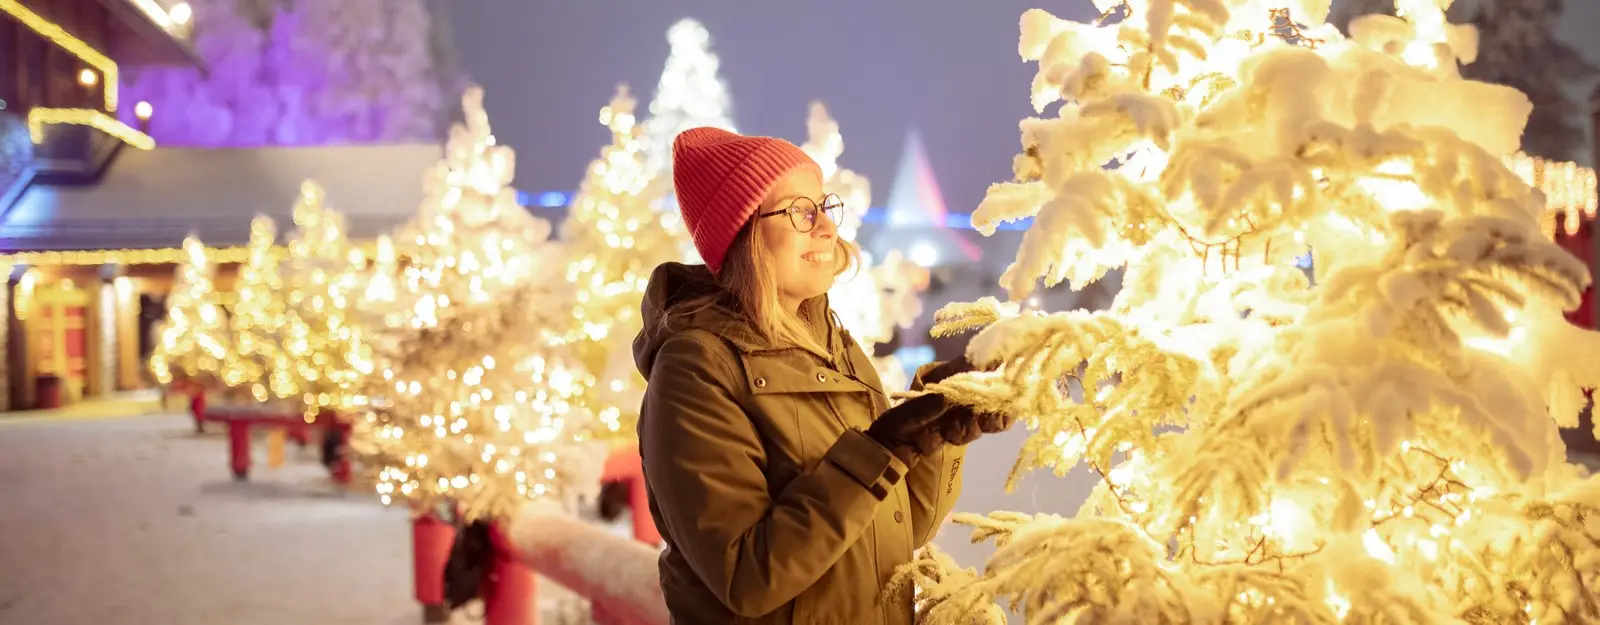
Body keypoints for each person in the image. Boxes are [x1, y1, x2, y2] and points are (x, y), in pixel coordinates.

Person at [632, 127, 1012, 624]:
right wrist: (879, 452)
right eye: (799, 211)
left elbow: (895, 533)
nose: (827, 228)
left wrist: (936, 428)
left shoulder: (834, 348)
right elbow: (747, 578)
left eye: (823, 207)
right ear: (742, 231)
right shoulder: (696, 368)